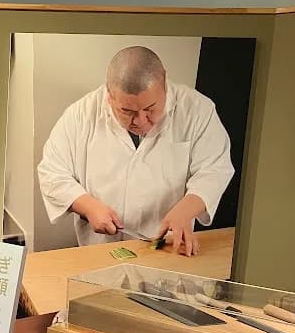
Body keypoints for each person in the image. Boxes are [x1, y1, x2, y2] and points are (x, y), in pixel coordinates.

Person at [37, 46, 234, 256]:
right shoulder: (81, 114)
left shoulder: (197, 110)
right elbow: (52, 172)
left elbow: (215, 169)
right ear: (109, 96)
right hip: (101, 249)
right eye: (127, 111)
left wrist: (187, 209)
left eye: (150, 109)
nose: (140, 121)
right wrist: (87, 206)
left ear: (164, 83)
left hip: (168, 247)